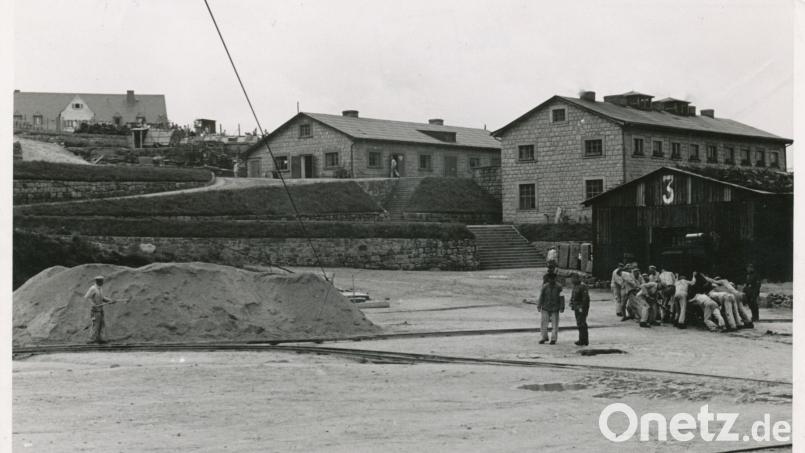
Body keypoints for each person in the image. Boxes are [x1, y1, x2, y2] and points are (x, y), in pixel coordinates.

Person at [537, 272, 563, 345]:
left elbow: (561, 297)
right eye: (551, 279)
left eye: (553, 279)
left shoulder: (559, 287)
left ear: (555, 279)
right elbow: (541, 296)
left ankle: (553, 339)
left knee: (555, 324)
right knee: (544, 324)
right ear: (548, 279)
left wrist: (562, 306)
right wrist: (539, 305)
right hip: (545, 307)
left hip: (555, 307)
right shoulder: (545, 287)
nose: (552, 280)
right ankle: (544, 337)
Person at [85, 275, 112, 344]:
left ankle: (100, 338)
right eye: (102, 281)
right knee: (95, 325)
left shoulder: (100, 289)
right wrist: (92, 304)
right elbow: (87, 297)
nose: (103, 282)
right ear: (98, 281)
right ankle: (91, 339)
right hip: (95, 311)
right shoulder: (93, 288)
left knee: (101, 325)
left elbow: (102, 298)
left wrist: (109, 300)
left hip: (100, 310)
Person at [570, 274, 590, 346]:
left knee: (582, 323)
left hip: (581, 308)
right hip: (576, 307)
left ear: (578, 279)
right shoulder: (575, 286)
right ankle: (582, 339)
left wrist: (582, 307)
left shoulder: (582, 286)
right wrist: (571, 303)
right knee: (579, 323)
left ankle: (584, 340)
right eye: (572, 279)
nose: (572, 280)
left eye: (573, 279)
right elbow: (573, 296)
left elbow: (585, 298)